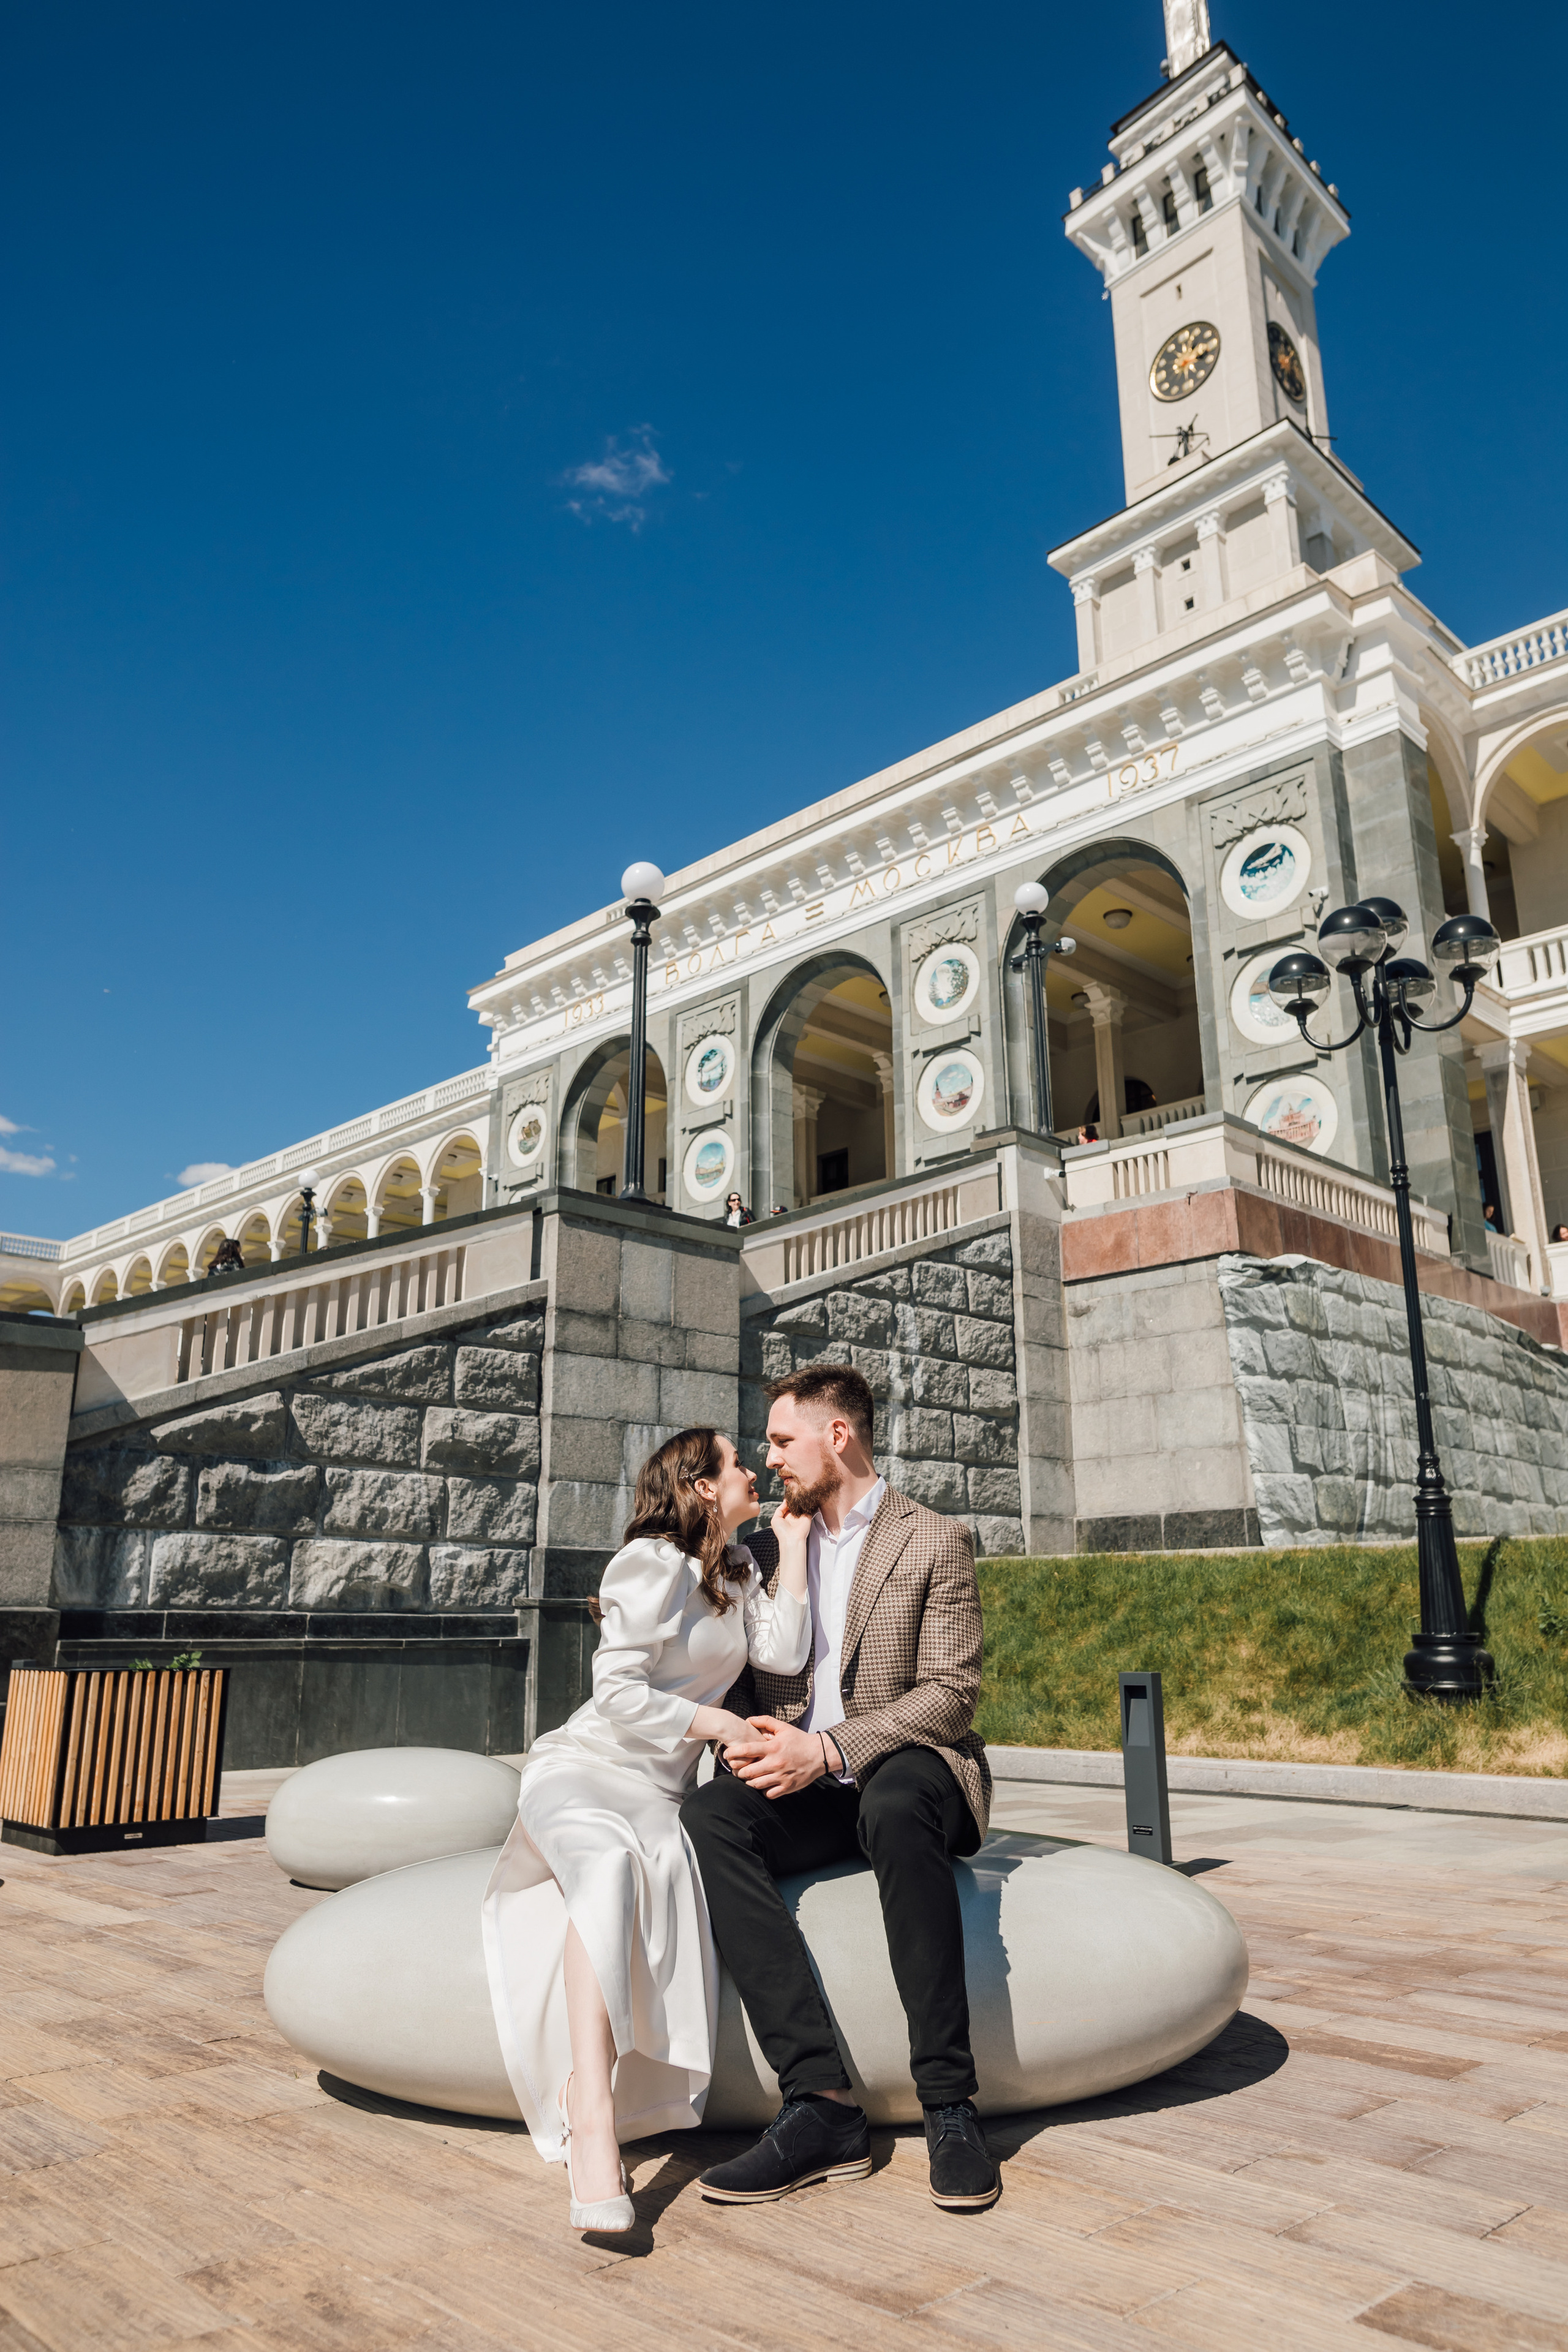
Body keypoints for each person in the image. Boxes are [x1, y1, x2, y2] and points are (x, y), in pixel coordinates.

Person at [680, 1362, 1000, 2214]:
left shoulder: (933, 1538)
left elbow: (949, 1693)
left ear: (838, 1435)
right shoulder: (757, 1549)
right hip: (800, 1777)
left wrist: (826, 1750)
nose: (771, 1457)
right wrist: (754, 1748)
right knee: (712, 1819)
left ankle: (950, 2106)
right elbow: (738, 1681)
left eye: (783, 1439)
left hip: (905, 1765)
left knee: (896, 1804)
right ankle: (820, 2105)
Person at [481, 1428, 810, 2234]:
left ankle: (594, 2099)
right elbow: (618, 1692)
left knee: (652, 1864)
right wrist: (717, 1726)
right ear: (702, 1485)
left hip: (660, 1793)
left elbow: (786, 1650)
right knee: (609, 1871)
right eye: (737, 1463)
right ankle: (590, 2114)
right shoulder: (648, 1563)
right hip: (588, 1771)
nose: (752, 1471)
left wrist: (794, 1550)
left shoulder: (738, 1569)